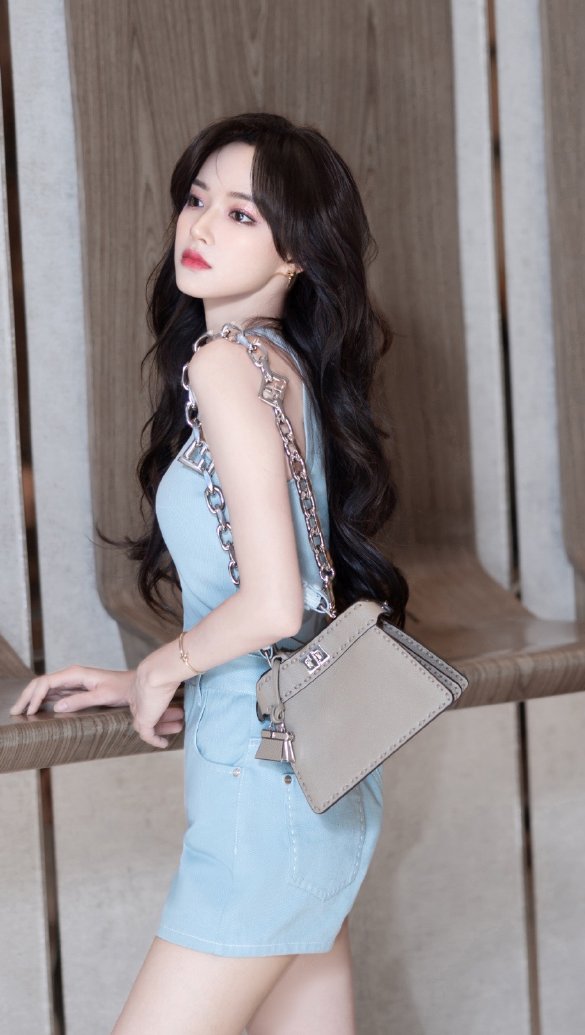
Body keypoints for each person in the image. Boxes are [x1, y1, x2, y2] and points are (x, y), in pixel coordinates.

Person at [9, 112, 408, 1034]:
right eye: (198, 199)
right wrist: (138, 679)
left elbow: (273, 600)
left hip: (261, 801)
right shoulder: (285, 366)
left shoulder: (227, 364)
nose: (200, 226)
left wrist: (163, 665)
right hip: (316, 782)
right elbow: (284, 596)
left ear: (296, 252)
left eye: (241, 214)